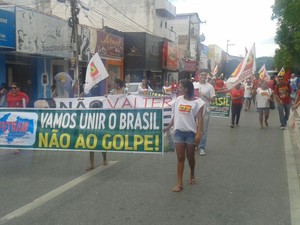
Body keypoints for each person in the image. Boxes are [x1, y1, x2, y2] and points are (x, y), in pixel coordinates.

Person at [163, 79, 205, 192]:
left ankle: (192, 173)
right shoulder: (178, 100)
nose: (178, 89)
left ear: (186, 89)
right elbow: (174, 116)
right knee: (180, 158)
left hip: (191, 133)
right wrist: (167, 127)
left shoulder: (198, 102)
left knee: (190, 158)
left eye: (181, 87)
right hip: (179, 133)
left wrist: (199, 134)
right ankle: (179, 183)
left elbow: (200, 120)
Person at [6, 82, 30, 154]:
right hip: (11, 115)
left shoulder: (22, 95)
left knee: (17, 130)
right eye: (12, 88)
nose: (13, 89)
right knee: (11, 130)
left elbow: (26, 101)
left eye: (14, 88)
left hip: (19, 115)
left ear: (18, 88)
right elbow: (7, 104)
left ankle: (18, 146)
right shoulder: (9, 95)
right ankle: (15, 145)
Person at [197, 70, 216, 156]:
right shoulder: (194, 85)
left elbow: (213, 99)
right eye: (202, 75)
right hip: (195, 110)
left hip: (206, 110)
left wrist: (205, 95)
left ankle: (202, 147)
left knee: (204, 130)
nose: (203, 76)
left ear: (207, 76)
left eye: (205, 75)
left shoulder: (210, 86)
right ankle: (195, 144)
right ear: (199, 76)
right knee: (195, 128)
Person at [86, 100, 108, 171]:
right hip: (92, 132)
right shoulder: (90, 115)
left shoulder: (102, 115)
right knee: (91, 147)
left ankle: (104, 160)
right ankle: (92, 164)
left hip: (100, 132)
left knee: (102, 146)